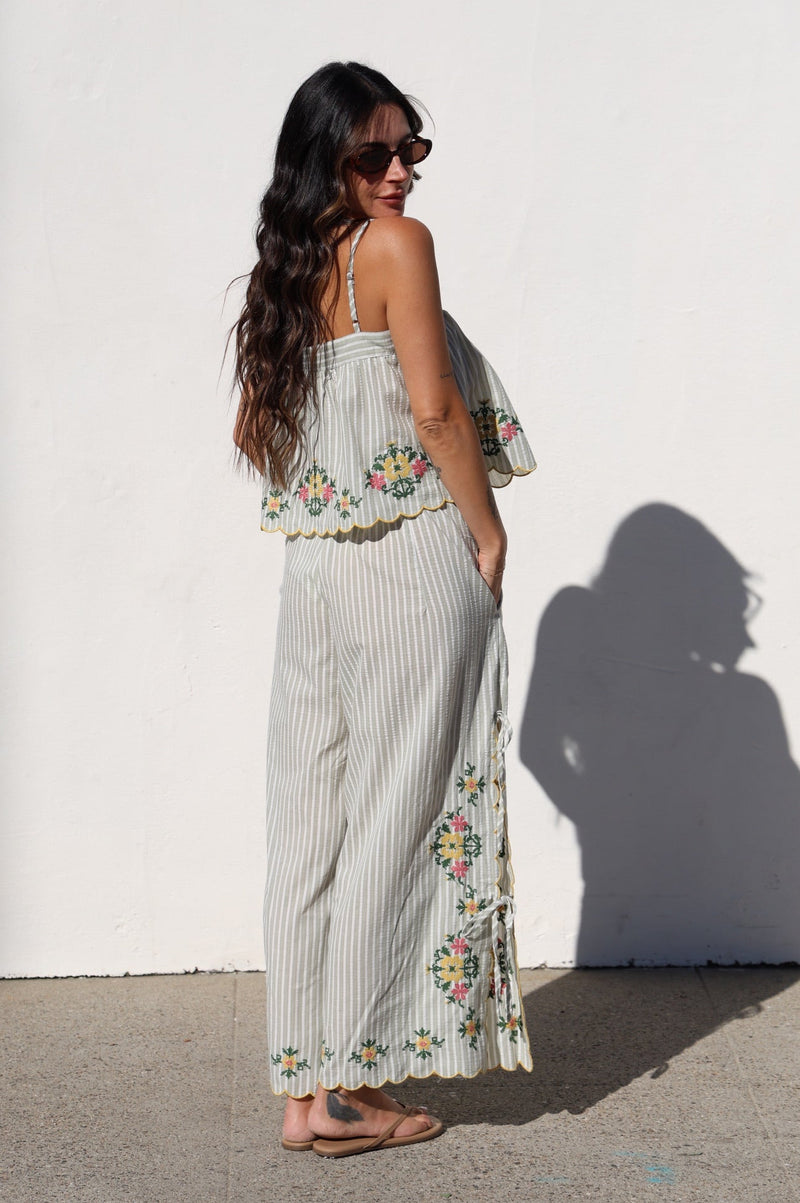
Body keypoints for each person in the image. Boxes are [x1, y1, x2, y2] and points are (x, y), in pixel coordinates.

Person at [232, 61, 535, 1159]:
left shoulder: (283, 277)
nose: (399, 171)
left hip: (317, 573)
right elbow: (435, 408)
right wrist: (486, 533)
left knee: (312, 822)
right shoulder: (395, 248)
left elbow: (254, 435)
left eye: (412, 148)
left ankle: (305, 1092)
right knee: (397, 814)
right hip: (409, 561)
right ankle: (353, 1082)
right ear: (323, 160)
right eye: (373, 153)